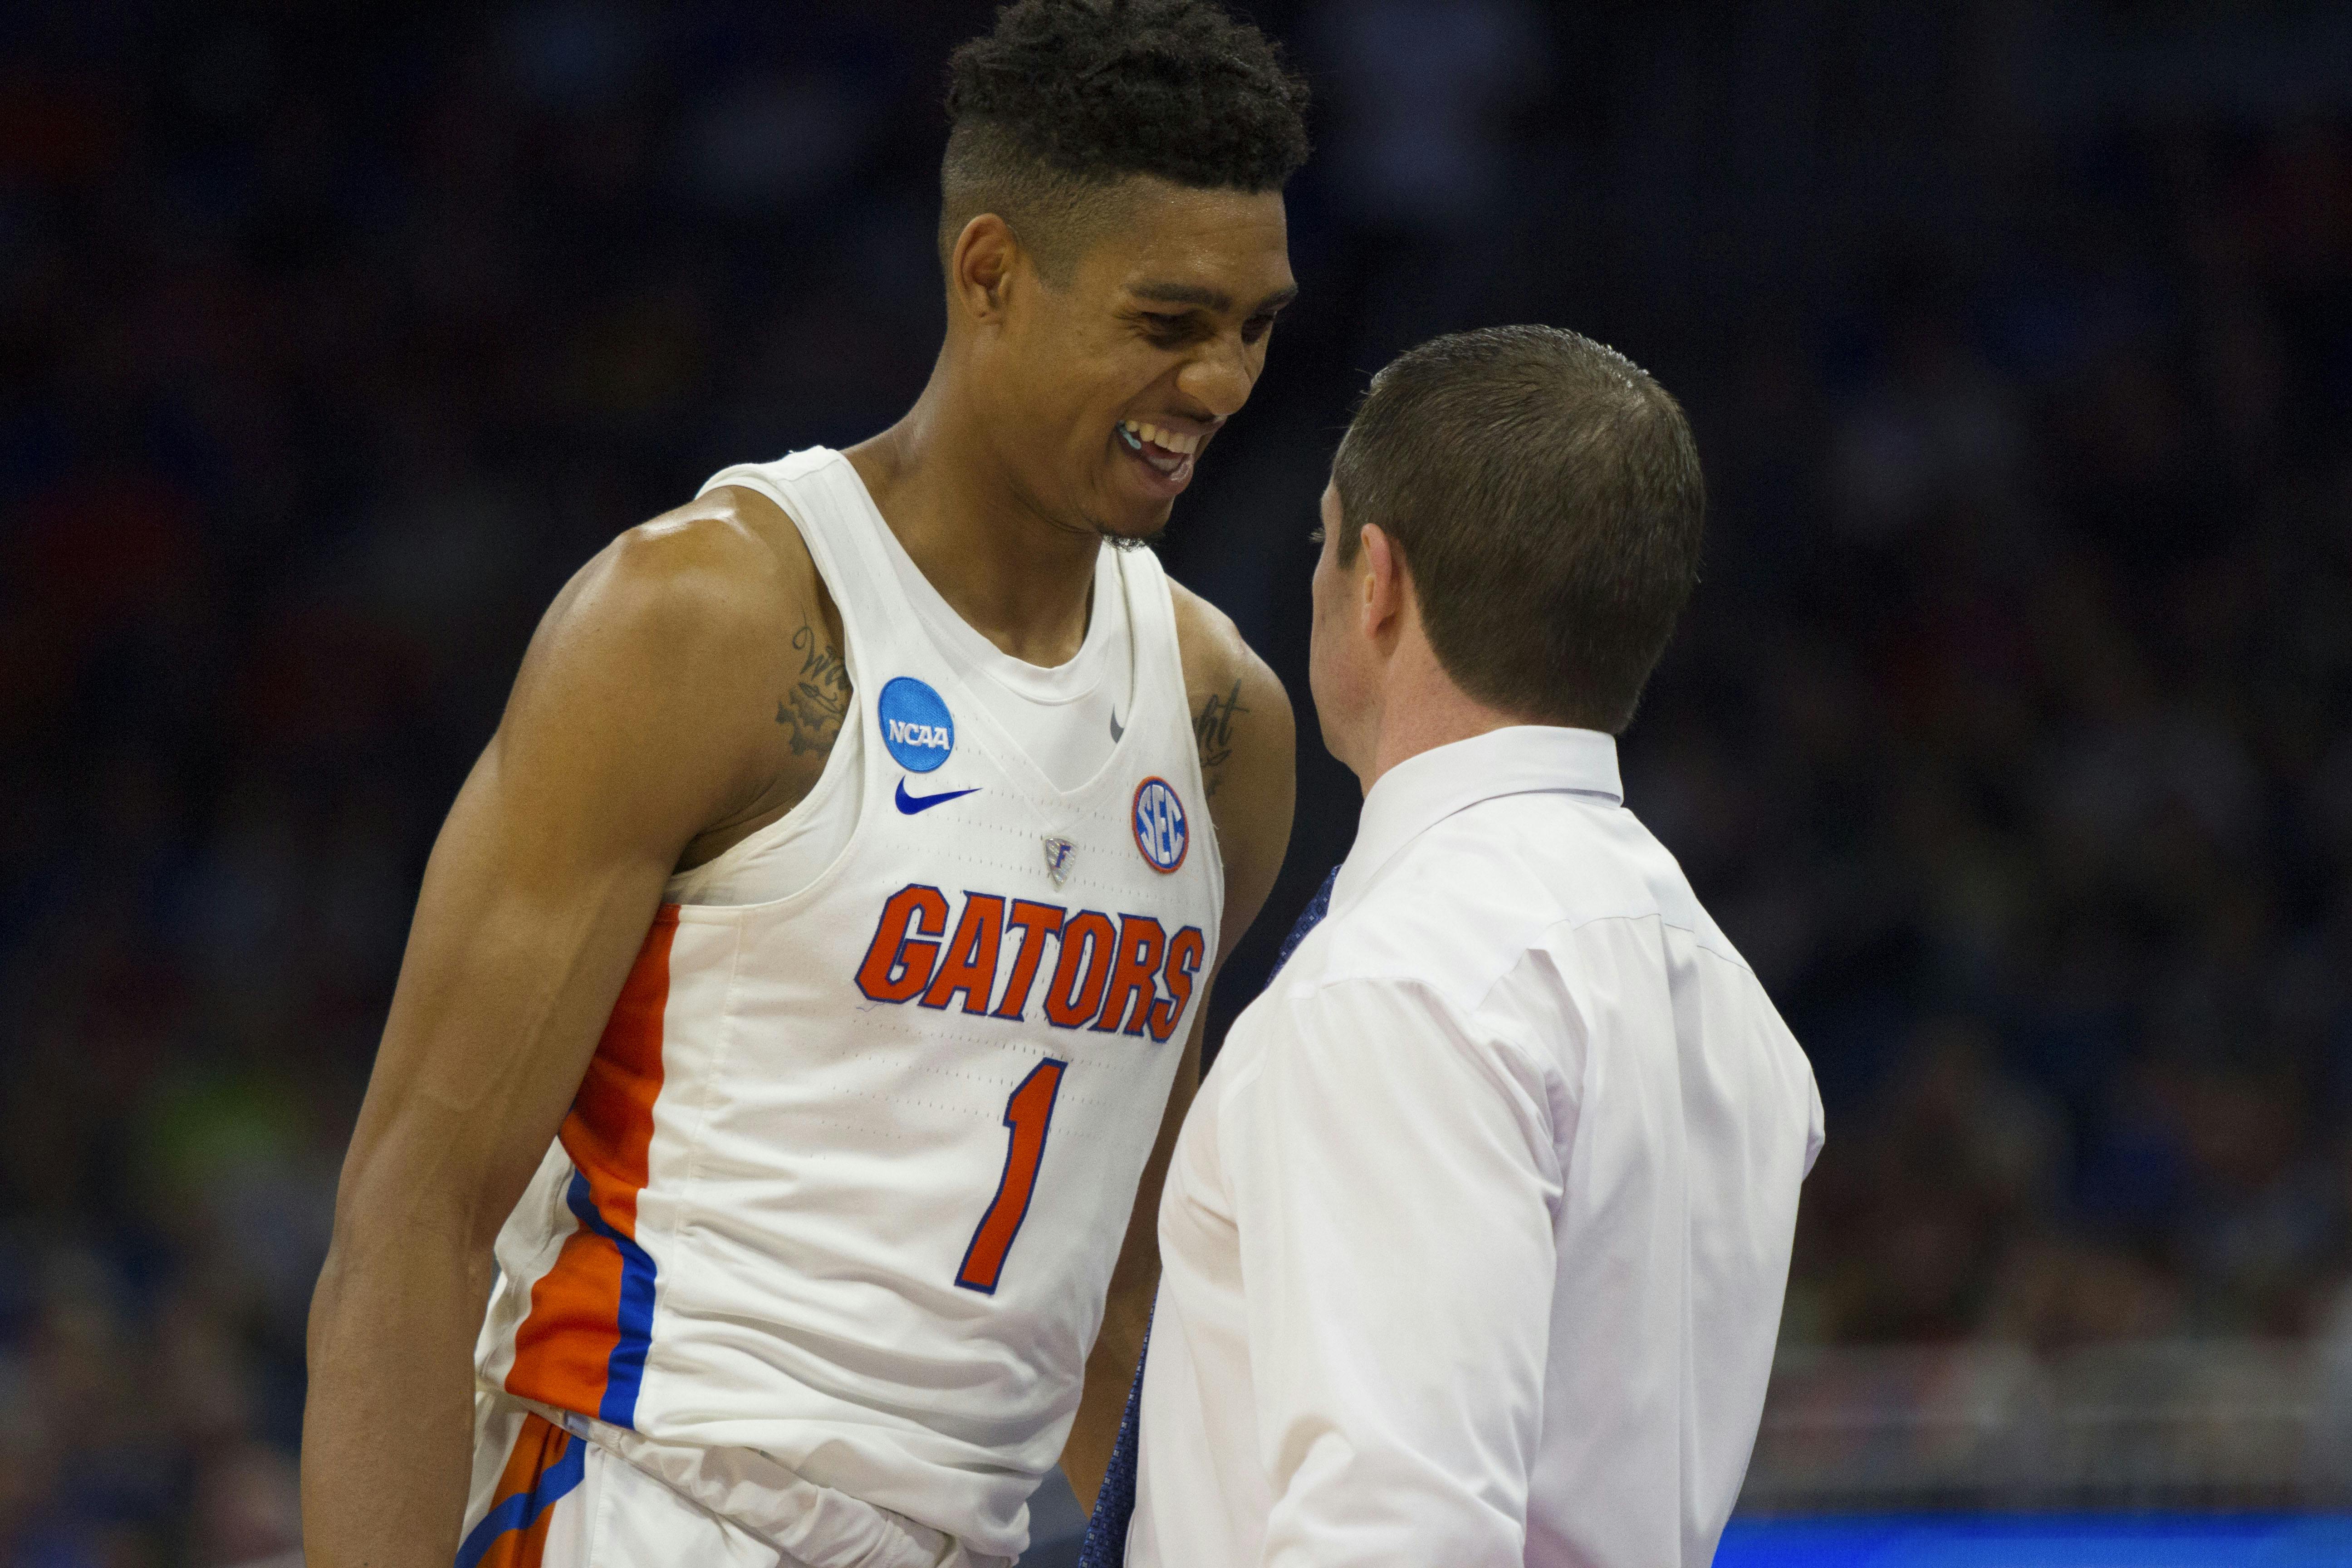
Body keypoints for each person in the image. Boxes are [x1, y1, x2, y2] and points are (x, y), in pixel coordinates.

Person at [300, 3, 1306, 1564]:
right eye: (1170, 320)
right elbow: (411, 1210)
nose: (1223, 380)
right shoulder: (708, 623)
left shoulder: (1224, 726)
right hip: (650, 1501)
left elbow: (1117, 1296)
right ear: (991, 275)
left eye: (1255, 325)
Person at [1113, 325, 1825, 1568]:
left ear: (1377, 580)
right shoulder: (1723, 993)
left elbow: (1401, 1535)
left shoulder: (1399, 987)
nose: (1324, 575)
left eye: (1323, 543)